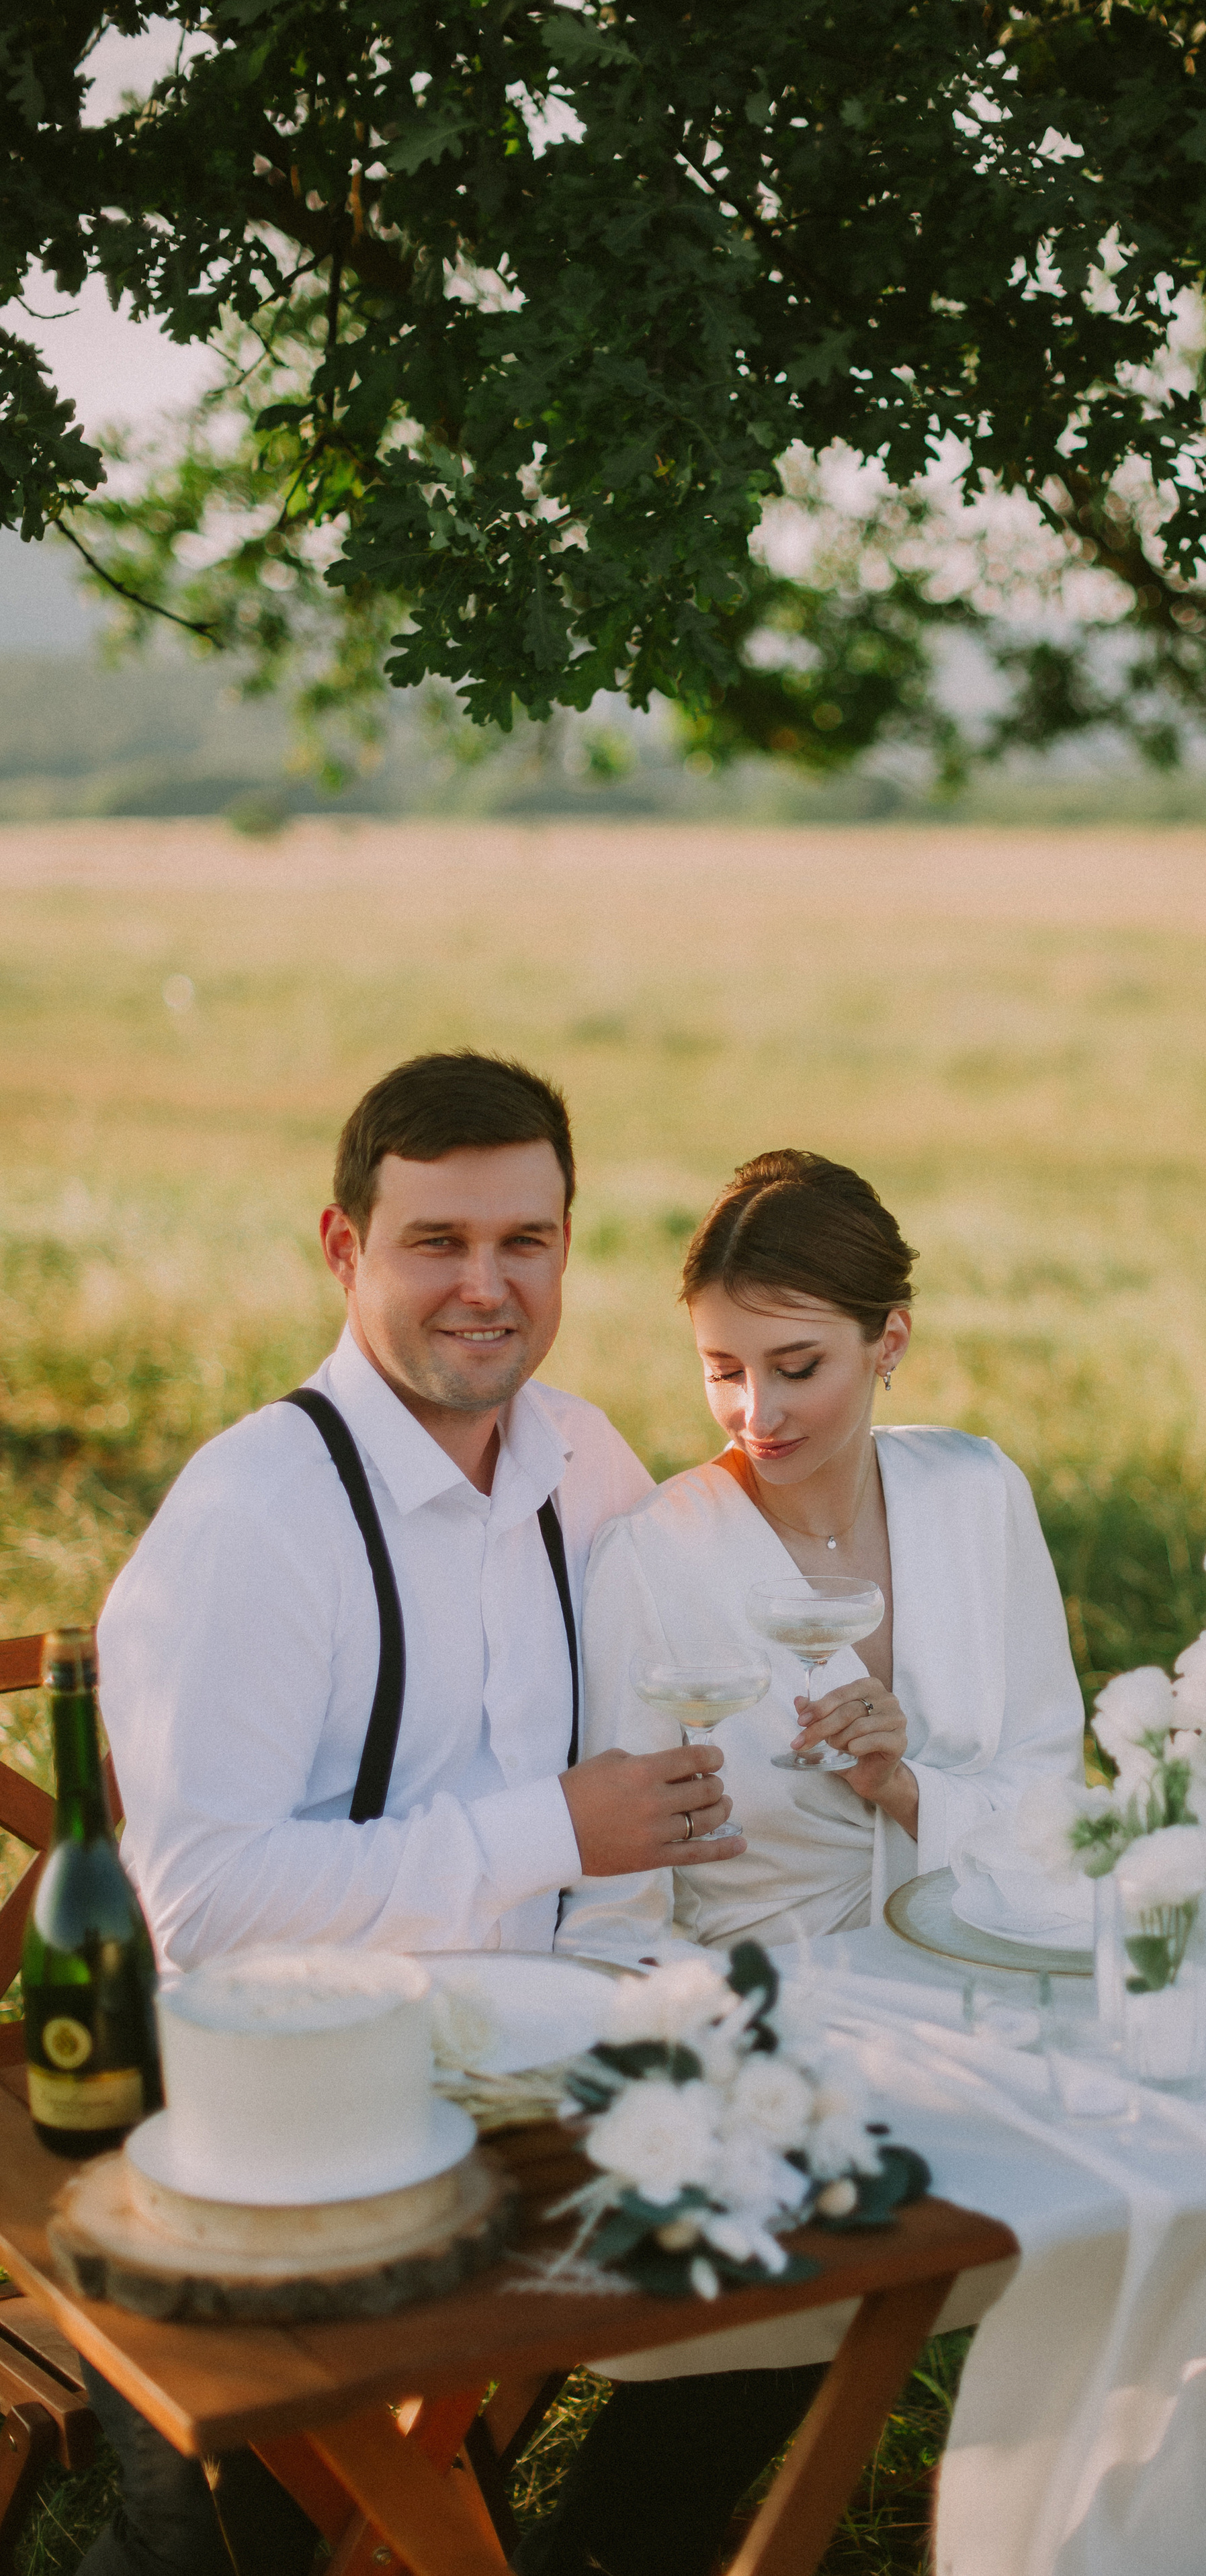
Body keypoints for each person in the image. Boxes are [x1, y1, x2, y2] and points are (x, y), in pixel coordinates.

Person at [82, 1051, 746, 2576]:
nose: (486, 1286)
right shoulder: (258, 1517)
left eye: (526, 1240)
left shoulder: (584, 1460)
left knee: (825, 2258)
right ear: (342, 1247)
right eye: (437, 1240)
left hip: (536, 2097)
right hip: (277, 2150)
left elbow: (680, 1739)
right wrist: (551, 1830)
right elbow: (207, 1907)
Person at [563, 1148, 1086, 1955]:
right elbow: (618, 1896)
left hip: (987, 1961)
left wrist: (902, 1788)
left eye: (797, 1368)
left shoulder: (978, 1494)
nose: (756, 1413)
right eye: (723, 1370)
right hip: (760, 2012)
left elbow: (1056, 1803)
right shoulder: (653, 1557)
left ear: (890, 1341)